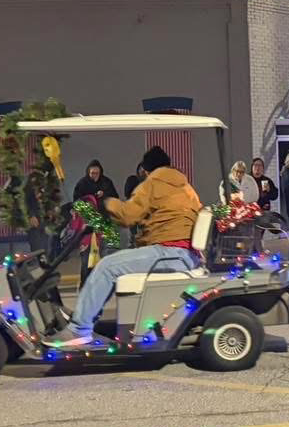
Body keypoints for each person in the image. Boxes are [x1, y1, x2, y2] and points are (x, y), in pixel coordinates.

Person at [46, 146, 202, 346]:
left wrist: (106, 203)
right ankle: (87, 316)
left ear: (145, 170)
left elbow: (128, 215)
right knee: (118, 261)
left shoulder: (153, 182)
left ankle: (79, 328)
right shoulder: (185, 186)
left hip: (168, 252)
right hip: (185, 254)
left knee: (106, 266)